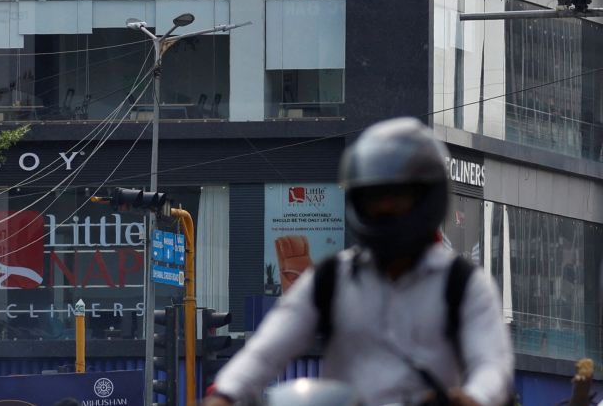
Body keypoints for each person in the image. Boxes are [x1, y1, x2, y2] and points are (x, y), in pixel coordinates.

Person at [203, 117, 513, 406]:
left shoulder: (463, 284)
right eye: (374, 197)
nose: (384, 207)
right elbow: (265, 351)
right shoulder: (331, 279)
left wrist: (474, 397)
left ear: (427, 196)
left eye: (397, 196)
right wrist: (225, 394)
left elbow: (492, 365)